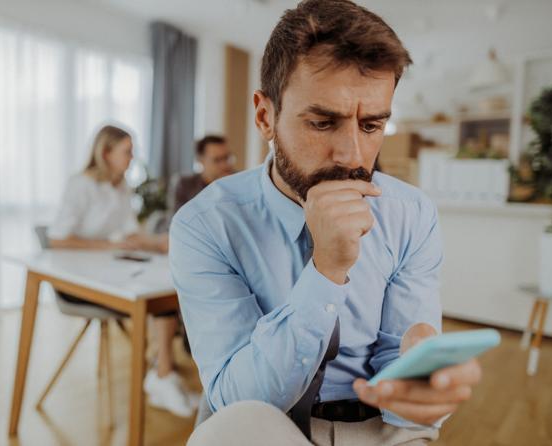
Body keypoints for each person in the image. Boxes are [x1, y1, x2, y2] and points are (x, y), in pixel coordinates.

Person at [169, 1, 483, 445]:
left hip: (381, 430)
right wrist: (326, 271)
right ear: (265, 117)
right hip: (263, 425)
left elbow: (399, 385)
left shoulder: (411, 215)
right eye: (321, 122)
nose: (353, 156)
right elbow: (241, 401)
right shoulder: (205, 225)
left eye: (372, 125)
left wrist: (419, 381)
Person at [48, 124, 196, 418]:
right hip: (79, 284)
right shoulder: (81, 184)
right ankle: (161, 377)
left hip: (111, 273)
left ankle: (162, 374)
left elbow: (130, 234)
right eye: (127, 152)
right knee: (157, 295)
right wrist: (107, 246)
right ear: (105, 153)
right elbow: (58, 239)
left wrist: (159, 242)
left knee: (167, 288)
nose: (132, 158)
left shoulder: (122, 187)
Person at [173, 135, 234, 213]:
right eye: (217, 160)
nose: (224, 165)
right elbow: (177, 221)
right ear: (200, 160)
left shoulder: (239, 181)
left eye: (227, 158)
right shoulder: (185, 185)